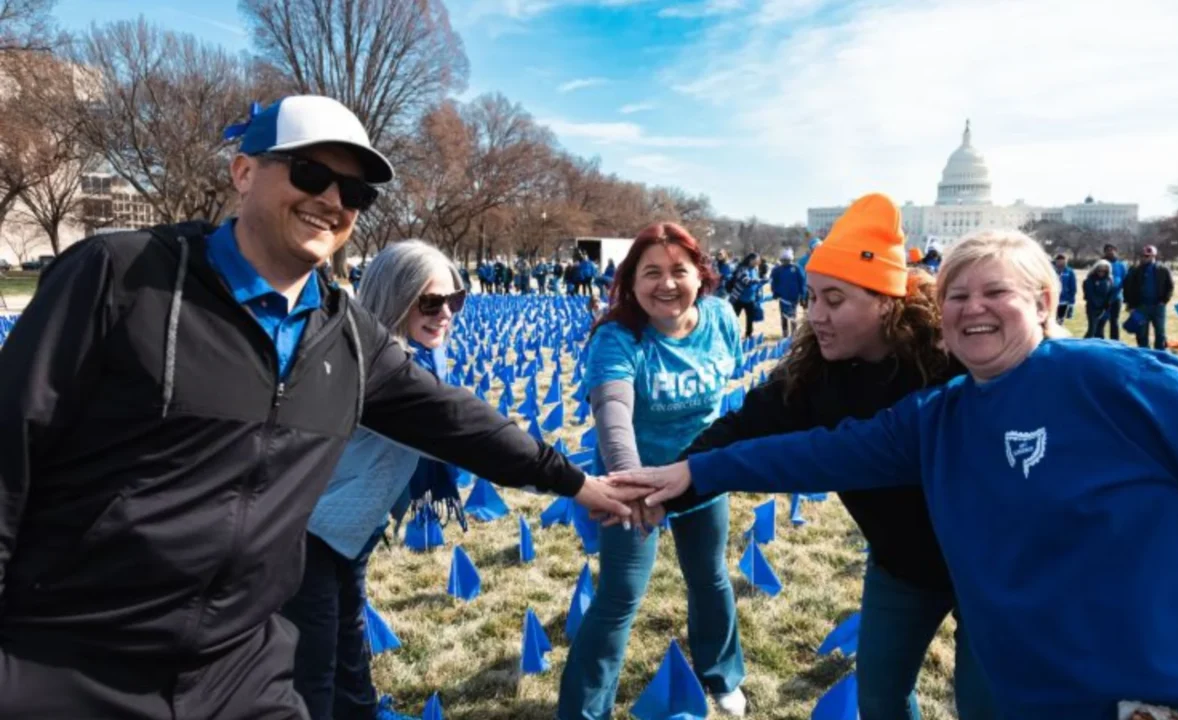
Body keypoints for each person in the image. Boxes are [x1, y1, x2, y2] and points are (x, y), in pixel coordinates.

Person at [0, 94, 633, 719]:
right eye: (310, 173)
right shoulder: (122, 277)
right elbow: (11, 445)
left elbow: (457, 420)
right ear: (243, 173)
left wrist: (576, 482)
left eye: (355, 192)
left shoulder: (347, 336)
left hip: (239, 669)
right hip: (76, 657)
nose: (332, 200)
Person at [608, 229, 1178, 719]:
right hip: (1032, 663)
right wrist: (690, 473)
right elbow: (809, 451)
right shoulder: (936, 414)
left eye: (995, 292)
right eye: (957, 294)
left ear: (1045, 301)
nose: (971, 307)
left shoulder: (1119, 379)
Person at [675, 194, 995, 719]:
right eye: (812, 298)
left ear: (886, 303)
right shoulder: (816, 372)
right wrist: (669, 480)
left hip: (983, 568)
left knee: (986, 704)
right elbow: (742, 427)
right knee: (880, 695)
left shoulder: (948, 365)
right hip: (899, 565)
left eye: (834, 300)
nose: (814, 316)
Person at [558, 222, 747, 719]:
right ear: (631, 281)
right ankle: (583, 711)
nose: (666, 283)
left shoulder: (722, 318)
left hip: (700, 477)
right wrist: (631, 486)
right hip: (632, 486)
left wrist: (708, 467)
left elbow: (729, 397)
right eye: (651, 272)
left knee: (709, 577)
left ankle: (721, 674)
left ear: (700, 275)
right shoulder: (617, 336)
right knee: (620, 595)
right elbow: (613, 413)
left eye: (678, 271)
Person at [282, 240, 469, 720]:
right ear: (395, 296)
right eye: (430, 302)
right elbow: (460, 437)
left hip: (348, 531)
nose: (446, 312)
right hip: (307, 535)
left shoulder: (420, 359)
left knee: (349, 636)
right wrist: (575, 484)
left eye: (456, 298)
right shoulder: (376, 371)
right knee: (315, 665)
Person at [1121, 245, 1173, 350]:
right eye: (1143, 256)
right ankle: (1144, 353)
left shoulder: (1163, 269)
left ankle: (1160, 354)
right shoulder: (1135, 270)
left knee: (1160, 332)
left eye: (1148, 256)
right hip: (1141, 306)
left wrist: (1164, 300)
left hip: (1158, 306)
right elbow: (1127, 287)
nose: (1145, 258)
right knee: (1141, 333)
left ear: (1154, 256)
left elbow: (1170, 286)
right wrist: (1130, 305)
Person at [769, 247, 805, 337]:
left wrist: (803, 296)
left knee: (793, 315)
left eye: (787, 260)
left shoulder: (797, 268)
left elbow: (802, 282)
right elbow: (774, 282)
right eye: (783, 260)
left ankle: (794, 334)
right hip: (783, 297)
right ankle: (785, 334)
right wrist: (775, 293)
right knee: (784, 316)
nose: (785, 262)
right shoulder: (777, 270)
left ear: (790, 259)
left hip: (794, 297)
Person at [728, 252, 765, 338]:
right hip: (739, 298)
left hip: (750, 299)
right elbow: (746, 281)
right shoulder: (742, 269)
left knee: (750, 318)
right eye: (757, 260)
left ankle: (749, 334)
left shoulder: (755, 270)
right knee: (734, 317)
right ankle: (731, 333)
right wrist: (758, 281)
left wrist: (758, 292)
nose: (758, 262)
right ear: (751, 260)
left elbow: (756, 285)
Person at [1082, 260, 1114, 339]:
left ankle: (1100, 347)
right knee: (1092, 329)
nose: (1101, 272)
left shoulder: (1109, 280)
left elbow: (1110, 293)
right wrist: (1097, 305)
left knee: (1100, 330)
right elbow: (1089, 294)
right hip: (1093, 307)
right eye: (1099, 270)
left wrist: (1107, 305)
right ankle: (1084, 345)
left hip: (1105, 308)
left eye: (1104, 271)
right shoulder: (1090, 280)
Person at [1102, 243, 1128, 340]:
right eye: (1108, 250)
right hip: (1102, 298)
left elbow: (1126, 281)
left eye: (1112, 250)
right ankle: (1100, 342)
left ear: (1116, 251)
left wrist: (1126, 298)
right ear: (1105, 252)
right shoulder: (1101, 263)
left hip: (1116, 297)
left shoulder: (1121, 265)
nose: (1110, 252)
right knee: (1101, 320)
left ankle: (1115, 342)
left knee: (1114, 321)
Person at [1053, 254, 1076, 324]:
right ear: (1056, 262)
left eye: (1063, 262)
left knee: (1060, 320)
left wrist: (1071, 302)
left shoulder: (1069, 272)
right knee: (1052, 320)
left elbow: (1073, 287)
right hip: (1053, 299)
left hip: (1064, 300)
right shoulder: (1051, 270)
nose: (1061, 264)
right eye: (1059, 262)